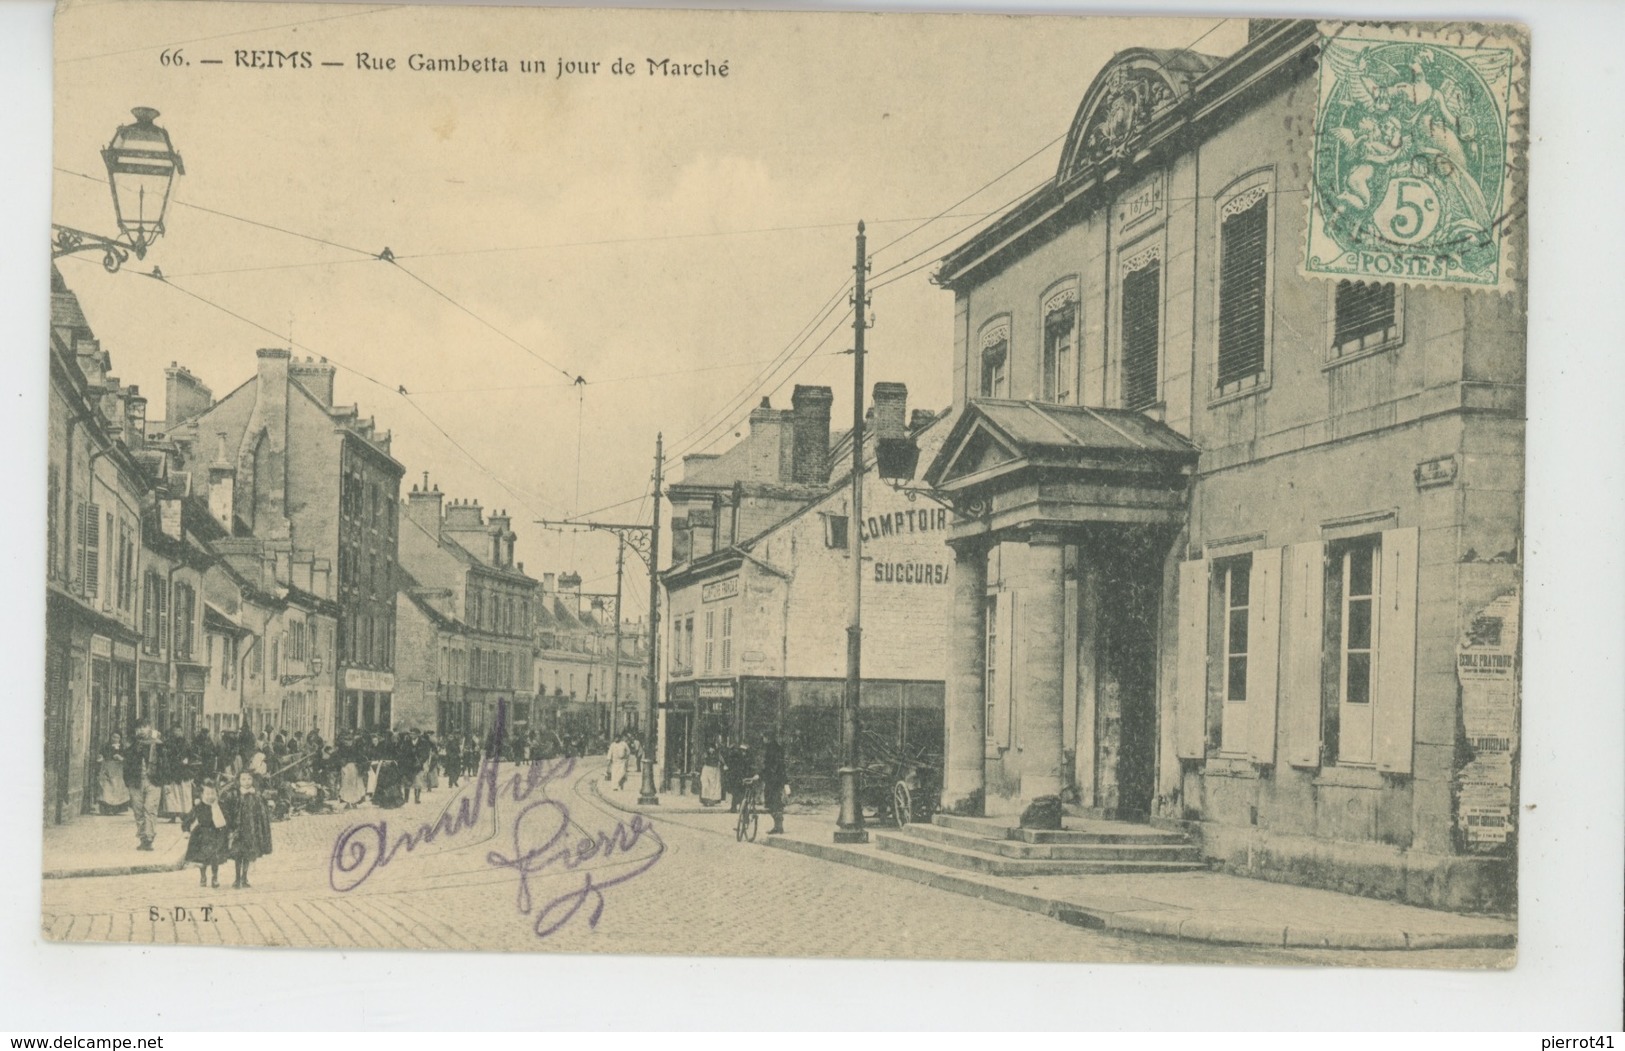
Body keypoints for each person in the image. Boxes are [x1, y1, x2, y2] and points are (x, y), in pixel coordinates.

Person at [221, 770, 272, 889]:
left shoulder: (256, 794)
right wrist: (230, 825)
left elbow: (262, 811)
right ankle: (237, 878)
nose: (247, 782)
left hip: (251, 830)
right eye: (243, 779)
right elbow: (226, 809)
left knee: (248, 854)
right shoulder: (234, 794)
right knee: (238, 854)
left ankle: (244, 877)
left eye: (249, 779)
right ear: (238, 781)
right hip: (238, 830)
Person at [126, 718, 163, 851]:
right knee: (138, 810)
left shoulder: (158, 743)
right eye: (139, 727)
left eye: (145, 726)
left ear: (150, 728)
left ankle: (149, 838)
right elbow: (127, 763)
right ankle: (143, 837)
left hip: (153, 781)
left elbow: (166, 759)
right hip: (136, 781)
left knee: (150, 809)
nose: (142, 730)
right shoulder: (131, 744)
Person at [185, 780, 229, 888]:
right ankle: (203, 876)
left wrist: (229, 830)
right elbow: (189, 818)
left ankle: (215, 877)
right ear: (202, 795)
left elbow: (227, 819)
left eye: (212, 793)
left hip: (216, 834)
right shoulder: (199, 807)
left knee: (215, 857)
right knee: (203, 858)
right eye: (207, 794)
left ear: (217, 794)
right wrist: (186, 829)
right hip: (202, 834)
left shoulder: (220, 806)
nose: (210, 796)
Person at [158, 722, 196, 832]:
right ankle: (173, 814)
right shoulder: (168, 743)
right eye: (175, 731)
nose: (177, 733)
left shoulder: (187, 744)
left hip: (183, 771)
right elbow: (164, 755)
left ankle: (185, 814)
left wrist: (188, 760)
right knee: (172, 794)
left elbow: (192, 755)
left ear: (182, 732)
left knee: (184, 793)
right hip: (172, 771)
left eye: (179, 731)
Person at [96, 733, 130, 815]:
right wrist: (100, 758)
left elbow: (127, 758)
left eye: (118, 737)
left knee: (116, 789)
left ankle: (116, 809)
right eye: (114, 737)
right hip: (107, 769)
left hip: (118, 771)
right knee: (107, 789)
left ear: (120, 739)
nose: (115, 739)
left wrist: (121, 758)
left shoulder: (122, 748)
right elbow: (101, 756)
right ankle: (108, 808)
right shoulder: (105, 747)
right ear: (110, 737)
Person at [760, 732, 787, 835]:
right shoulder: (778, 748)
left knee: (772, 802)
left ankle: (778, 827)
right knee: (777, 802)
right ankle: (778, 826)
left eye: (764, 738)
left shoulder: (771, 749)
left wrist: (762, 774)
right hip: (778, 779)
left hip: (772, 780)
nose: (763, 740)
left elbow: (771, 766)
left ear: (767, 738)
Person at [724, 740, 751, 814]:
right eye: (742, 751)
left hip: (742, 778)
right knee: (737, 793)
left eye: (744, 751)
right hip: (737, 778)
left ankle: (739, 808)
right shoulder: (738, 758)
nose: (743, 752)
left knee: (740, 793)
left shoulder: (746, 759)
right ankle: (735, 807)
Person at [699, 739, 724, 807]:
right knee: (705, 784)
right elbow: (701, 760)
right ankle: (705, 799)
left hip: (714, 769)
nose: (711, 750)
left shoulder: (717, 754)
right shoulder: (705, 754)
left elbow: (722, 760)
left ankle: (712, 800)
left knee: (713, 785)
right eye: (710, 748)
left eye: (712, 748)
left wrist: (722, 764)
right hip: (706, 769)